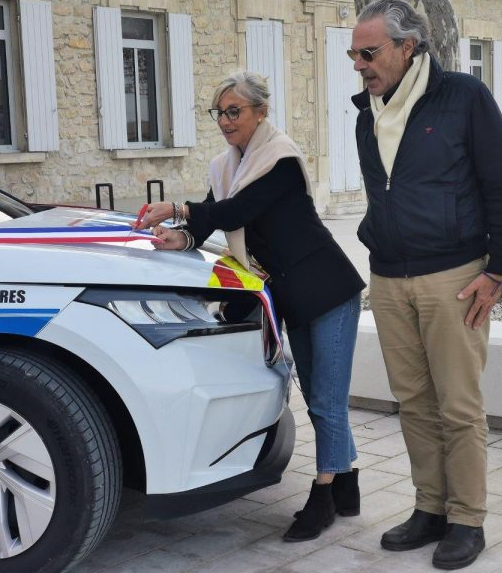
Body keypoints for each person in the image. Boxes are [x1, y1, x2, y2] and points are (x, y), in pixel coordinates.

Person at [135, 71, 366, 542]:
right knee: (318, 397)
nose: (225, 121)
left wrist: (177, 209)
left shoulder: (279, 160)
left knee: (326, 399)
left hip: (329, 290)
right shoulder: (227, 167)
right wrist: (182, 237)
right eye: (219, 113)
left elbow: (237, 212)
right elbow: (211, 216)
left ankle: (324, 495)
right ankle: (348, 485)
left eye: (234, 111)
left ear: (260, 112)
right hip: (294, 297)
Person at [349, 0, 502, 570]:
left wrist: (498, 271)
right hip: (388, 276)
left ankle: (467, 518)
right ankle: (430, 508)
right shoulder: (367, 113)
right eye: (354, 55)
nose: (359, 65)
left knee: (459, 405)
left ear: (407, 46)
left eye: (368, 53)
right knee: (413, 403)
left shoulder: (464, 97)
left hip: (455, 278)